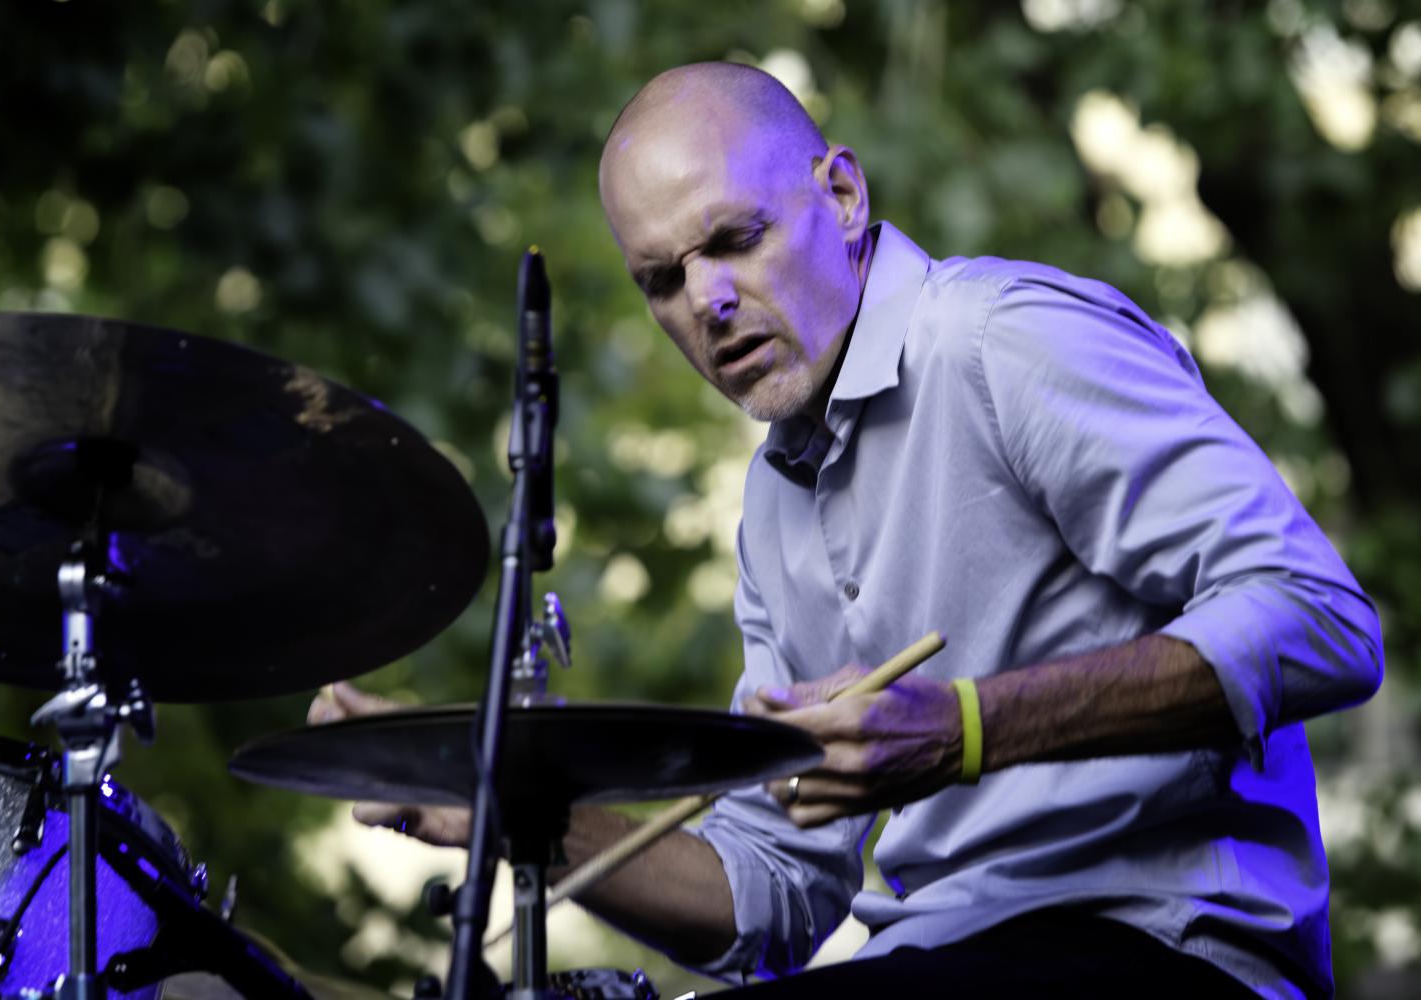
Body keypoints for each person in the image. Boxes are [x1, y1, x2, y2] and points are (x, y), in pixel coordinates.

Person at [310, 63, 1383, 997]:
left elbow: (1321, 619)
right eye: (662, 281)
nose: (708, 302)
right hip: (936, 966)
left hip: (1163, 952)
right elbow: (773, 890)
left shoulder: (999, 340)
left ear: (842, 191)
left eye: (733, 239)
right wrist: (503, 807)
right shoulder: (774, 502)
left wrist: (967, 727)